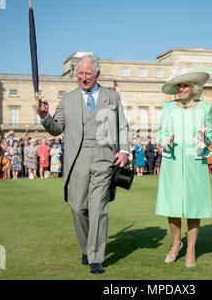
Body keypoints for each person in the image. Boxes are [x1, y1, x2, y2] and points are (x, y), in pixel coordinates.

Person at [38, 55, 129, 274]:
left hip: (104, 158)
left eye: (88, 73)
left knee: (98, 208)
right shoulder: (68, 99)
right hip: (76, 159)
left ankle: (96, 257)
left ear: (97, 74)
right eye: (80, 73)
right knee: (78, 208)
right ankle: (87, 248)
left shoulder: (112, 96)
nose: (83, 77)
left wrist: (124, 150)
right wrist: (43, 115)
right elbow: (56, 128)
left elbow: (123, 126)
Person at [155, 69, 212, 268]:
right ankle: (175, 243)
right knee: (171, 205)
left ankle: (190, 249)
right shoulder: (168, 107)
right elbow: (161, 134)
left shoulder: (205, 108)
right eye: (179, 86)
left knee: (193, 206)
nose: (181, 88)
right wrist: (166, 141)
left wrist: (205, 138)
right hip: (171, 161)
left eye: (185, 85)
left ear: (194, 88)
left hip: (195, 161)